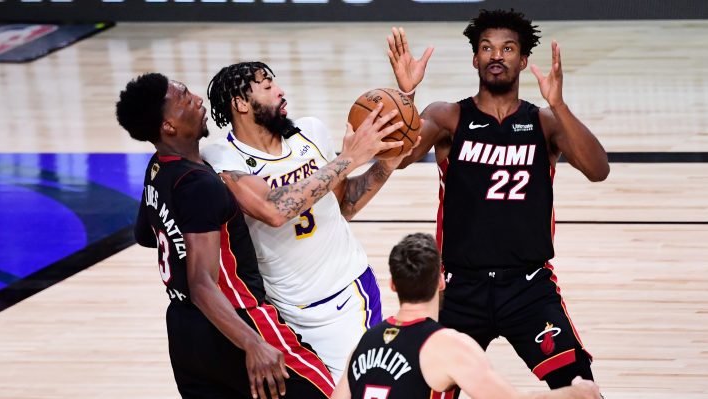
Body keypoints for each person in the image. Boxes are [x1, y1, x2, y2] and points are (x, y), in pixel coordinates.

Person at [116, 73, 396, 398]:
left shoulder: (158, 170)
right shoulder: (203, 182)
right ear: (168, 126)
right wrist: (253, 343)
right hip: (236, 317)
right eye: (184, 98)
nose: (196, 99)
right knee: (327, 393)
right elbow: (202, 283)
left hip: (182, 331)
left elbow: (147, 234)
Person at [385, 9, 610, 391]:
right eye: (486, 48)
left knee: (580, 389)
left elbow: (598, 169)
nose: (496, 55)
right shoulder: (449, 117)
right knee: (421, 389)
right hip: (458, 287)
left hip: (528, 287)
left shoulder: (543, 122)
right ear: (475, 59)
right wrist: (406, 96)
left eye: (507, 48)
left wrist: (558, 104)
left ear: (522, 60)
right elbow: (397, 159)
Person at [202, 61, 416, 380]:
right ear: (240, 103)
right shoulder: (223, 156)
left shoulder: (310, 132)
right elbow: (274, 210)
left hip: (347, 297)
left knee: (363, 387)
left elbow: (344, 204)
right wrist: (349, 158)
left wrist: (403, 107)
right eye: (267, 86)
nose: (281, 90)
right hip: (284, 312)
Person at [332, 233, 602, 399]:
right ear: (441, 281)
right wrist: (577, 393)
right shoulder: (448, 346)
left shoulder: (364, 343)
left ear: (392, 284)